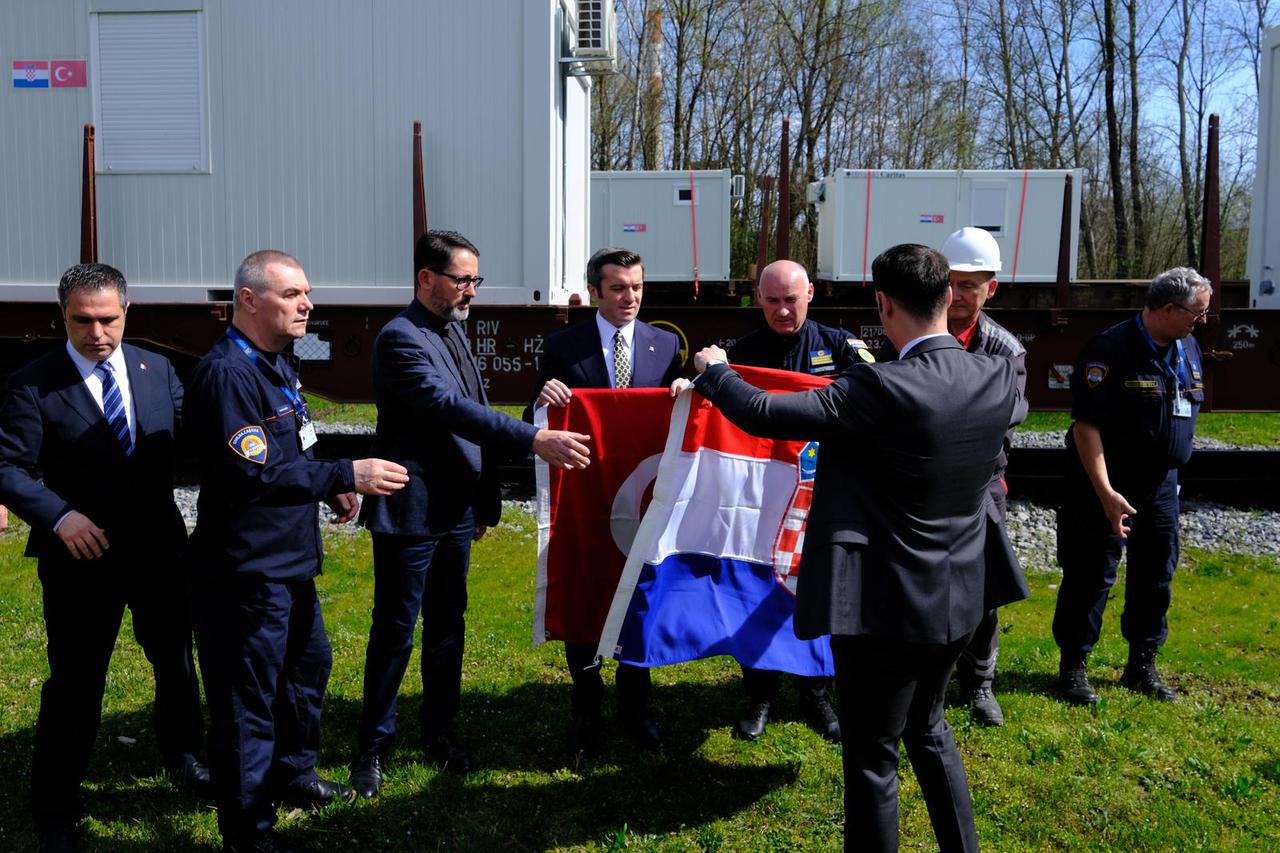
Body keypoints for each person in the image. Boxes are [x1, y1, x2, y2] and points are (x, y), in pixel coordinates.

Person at [691, 244, 1026, 852]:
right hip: (962, 594)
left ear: (883, 304)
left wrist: (715, 371)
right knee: (929, 727)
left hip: (885, 605)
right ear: (949, 296)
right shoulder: (998, 374)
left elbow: (761, 412)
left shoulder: (878, 385)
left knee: (873, 758)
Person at [350, 230, 591, 798]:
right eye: (462, 280)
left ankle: (439, 731)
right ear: (425, 279)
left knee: (447, 626)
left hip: (455, 510)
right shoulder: (401, 337)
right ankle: (373, 747)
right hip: (412, 510)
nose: (472, 291)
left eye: (475, 280)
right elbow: (448, 408)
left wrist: (483, 499)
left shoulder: (451, 328)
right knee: (395, 632)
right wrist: (534, 439)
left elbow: (475, 411)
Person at [185, 250, 409, 853]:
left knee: (308, 671)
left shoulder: (278, 361)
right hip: (246, 574)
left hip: (289, 565)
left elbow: (294, 444)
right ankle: (249, 833)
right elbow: (250, 474)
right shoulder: (228, 374)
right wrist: (346, 472)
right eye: (292, 294)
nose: (307, 304)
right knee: (248, 705)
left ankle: (293, 774)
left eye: (306, 292)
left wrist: (327, 483)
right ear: (249, 300)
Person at [0, 263, 206, 853]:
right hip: (80, 559)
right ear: (61, 317)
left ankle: (184, 756)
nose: (97, 333)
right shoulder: (32, 383)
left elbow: (197, 438)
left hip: (159, 550)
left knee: (176, 661)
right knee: (76, 681)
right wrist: (59, 515)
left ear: (127, 312)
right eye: (82, 321)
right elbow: (9, 467)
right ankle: (55, 806)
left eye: (108, 319)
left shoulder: (156, 369)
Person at [526, 247, 685, 754]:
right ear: (594, 291)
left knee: (640, 592)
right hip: (584, 494)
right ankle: (586, 705)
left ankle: (637, 706)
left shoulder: (665, 345)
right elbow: (536, 418)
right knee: (586, 588)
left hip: (641, 499)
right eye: (618, 288)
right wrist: (543, 399)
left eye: (637, 287)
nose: (629, 297)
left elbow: (679, 422)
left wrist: (686, 390)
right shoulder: (563, 346)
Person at [723, 259, 874, 742]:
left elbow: (876, 402)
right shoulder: (742, 353)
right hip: (763, 500)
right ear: (758, 299)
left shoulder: (842, 347)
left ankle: (817, 692)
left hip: (825, 495)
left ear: (810, 294)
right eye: (772, 301)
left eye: (791, 299)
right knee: (759, 590)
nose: (783, 310)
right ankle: (759, 694)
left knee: (820, 592)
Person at [1052, 267, 1211, 706]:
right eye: (1197, 313)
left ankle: (1142, 664)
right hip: (1105, 485)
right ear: (1168, 309)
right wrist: (1106, 492)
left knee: (1156, 575)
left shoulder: (1187, 346)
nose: (1202, 322)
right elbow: (1086, 427)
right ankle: (1073, 666)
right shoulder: (1110, 348)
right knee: (1091, 576)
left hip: (1161, 486)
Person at [935, 226, 1029, 726]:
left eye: (970, 285)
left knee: (983, 588)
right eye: (951, 283)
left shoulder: (1004, 349)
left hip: (980, 486)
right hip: (924, 482)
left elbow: (1007, 415)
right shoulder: (916, 333)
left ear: (991, 288)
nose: (959, 294)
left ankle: (980, 682)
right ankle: (929, 679)